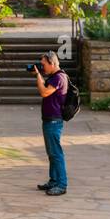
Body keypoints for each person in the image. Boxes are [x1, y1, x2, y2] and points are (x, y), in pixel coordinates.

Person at [32, 51, 68, 196]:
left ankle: (62, 184)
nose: (42, 67)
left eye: (44, 65)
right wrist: (40, 76)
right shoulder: (55, 77)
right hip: (49, 120)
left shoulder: (58, 77)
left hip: (54, 121)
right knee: (52, 153)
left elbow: (44, 92)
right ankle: (53, 181)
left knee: (56, 153)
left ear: (52, 63)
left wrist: (38, 78)